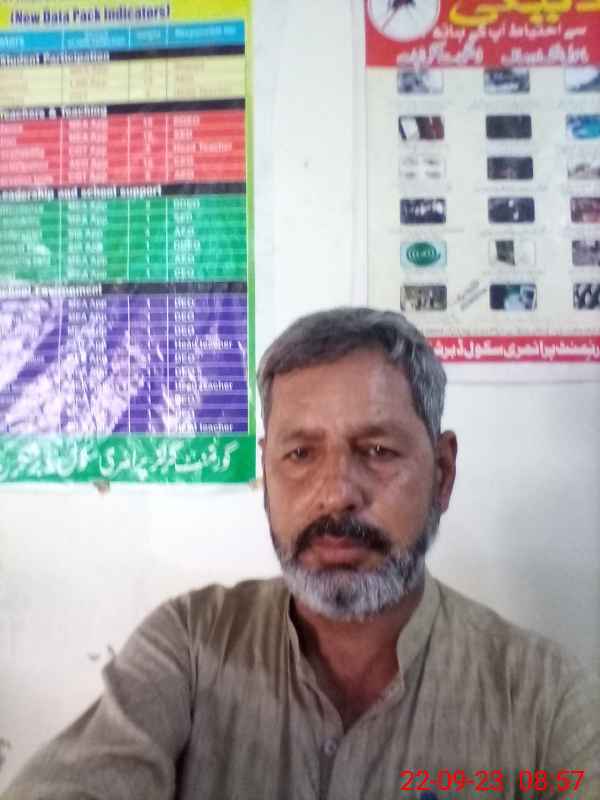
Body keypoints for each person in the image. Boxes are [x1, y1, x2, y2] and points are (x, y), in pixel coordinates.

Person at [3, 307, 599, 800]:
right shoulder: (190, 646)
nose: (336, 493)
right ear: (267, 471)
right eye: (300, 454)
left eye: (377, 450)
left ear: (441, 473)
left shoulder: (543, 698)